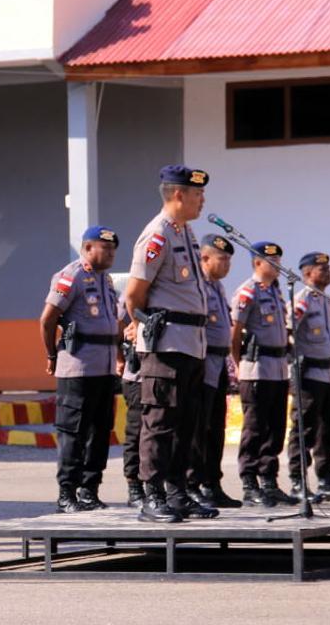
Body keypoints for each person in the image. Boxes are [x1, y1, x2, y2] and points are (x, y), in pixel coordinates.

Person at [125, 165, 218, 523]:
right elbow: (134, 297)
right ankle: (152, 496)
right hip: (166, 345)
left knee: (187, 425)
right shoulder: (157, 236)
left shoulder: (187, 233)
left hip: (192, 344)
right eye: (197, 195)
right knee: (160, 422)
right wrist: (141, 331)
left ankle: (177, 493)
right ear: (178, 194)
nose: (202, 200)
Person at [40, 226, 121, 513]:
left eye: (113, 249)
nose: (111, 253)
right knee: (73, 431)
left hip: (105, 368)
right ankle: (67, 493)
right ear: (88, 248)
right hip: (77, 368)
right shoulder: (71, 275)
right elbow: (48, 319)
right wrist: (52, 354)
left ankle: (89, 490)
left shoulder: (107, 280)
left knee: (100, 431)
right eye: (105, 248)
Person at [230, 241, 294, 507]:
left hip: (278, 369)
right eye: (273, 262)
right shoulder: (248, 292)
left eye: (279, 261)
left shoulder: (276, 291)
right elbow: (235, 333)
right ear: (258, 263)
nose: (278, 266)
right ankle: (249, 482)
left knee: (276, 427)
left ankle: (269, 479)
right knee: (255, 428)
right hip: (256, 368)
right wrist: (238, 364)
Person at [186, 234, 242, 509]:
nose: (227, 264)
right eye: (223, 259)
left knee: (216, 427)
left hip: (219, 364)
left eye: (229, 259)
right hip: (202, 363)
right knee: (198, 427)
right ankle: (193, 483)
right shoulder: (195, 285)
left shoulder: (218, 287)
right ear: (205, 258)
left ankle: (212, 482)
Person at [287, 252, 330, 502]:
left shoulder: (326, 300)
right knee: (304, 429)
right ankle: (298, 481)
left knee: (328, 429)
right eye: (322, 269)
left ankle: (326, 479)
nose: (328, 273)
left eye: (328, 268)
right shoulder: (303, 300)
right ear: (307, 273)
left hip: (328, 374)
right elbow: (288, 330)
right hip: (309, 375)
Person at [116, 289, 144, 508]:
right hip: (137, 375)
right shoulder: (133, 294)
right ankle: (134, 485)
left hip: (161, 373)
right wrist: (120, 357)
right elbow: (117, 327)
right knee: (136, 431)